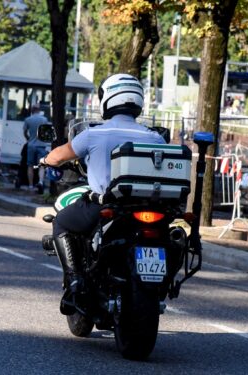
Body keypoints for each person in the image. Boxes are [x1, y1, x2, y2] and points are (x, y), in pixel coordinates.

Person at [39, 74, 165, 314]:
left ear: (107, 99)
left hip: (107, 207)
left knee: (62, 222)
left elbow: (58, 156)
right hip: (149, 206)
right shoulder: (154, 137)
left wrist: (44, 159)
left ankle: (75, 280)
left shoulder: (93, 134)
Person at [23, 106, 50, 193]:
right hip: (41, 145)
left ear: (32, 110)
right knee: (41, 166)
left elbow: (24, 132)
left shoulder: (28, 120)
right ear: (39, 110)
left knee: (30, 166)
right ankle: (41, 182)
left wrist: (29, 139)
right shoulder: (44, 119)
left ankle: (30, 185)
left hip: (31, 145)